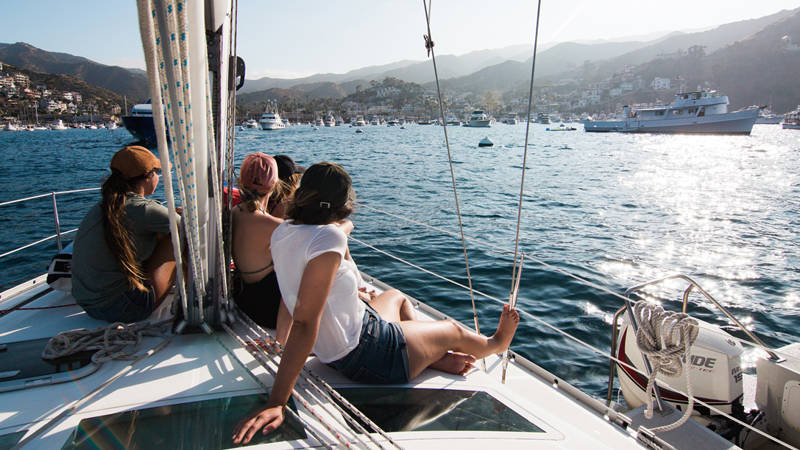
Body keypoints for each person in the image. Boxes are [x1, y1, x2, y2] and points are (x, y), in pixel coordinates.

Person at [232, 162, 519, 444]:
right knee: (453, 330)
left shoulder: (284, 231)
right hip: (371, 353)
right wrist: (277, 401)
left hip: (339, 347)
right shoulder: (328, 238)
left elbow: (293, 294)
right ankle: (495, 343)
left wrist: (345, 231)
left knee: (395, 297)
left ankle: (431, 354)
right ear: (340, 204)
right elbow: (306, 322)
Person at [71, 145, 178, 322]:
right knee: (176, 236)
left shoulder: (103, 206)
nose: (158, 177)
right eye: (156, 171)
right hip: (126, 308)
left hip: (89, 305)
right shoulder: (143, 210)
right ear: (147, 176)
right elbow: (192, 230)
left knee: (165, 230)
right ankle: (198, 295)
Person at [231, 152, 286, 329]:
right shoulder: (274, 225)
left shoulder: (233, 213)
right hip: (269, 311)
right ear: (275, 184)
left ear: (241, 182)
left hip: (244, 300)